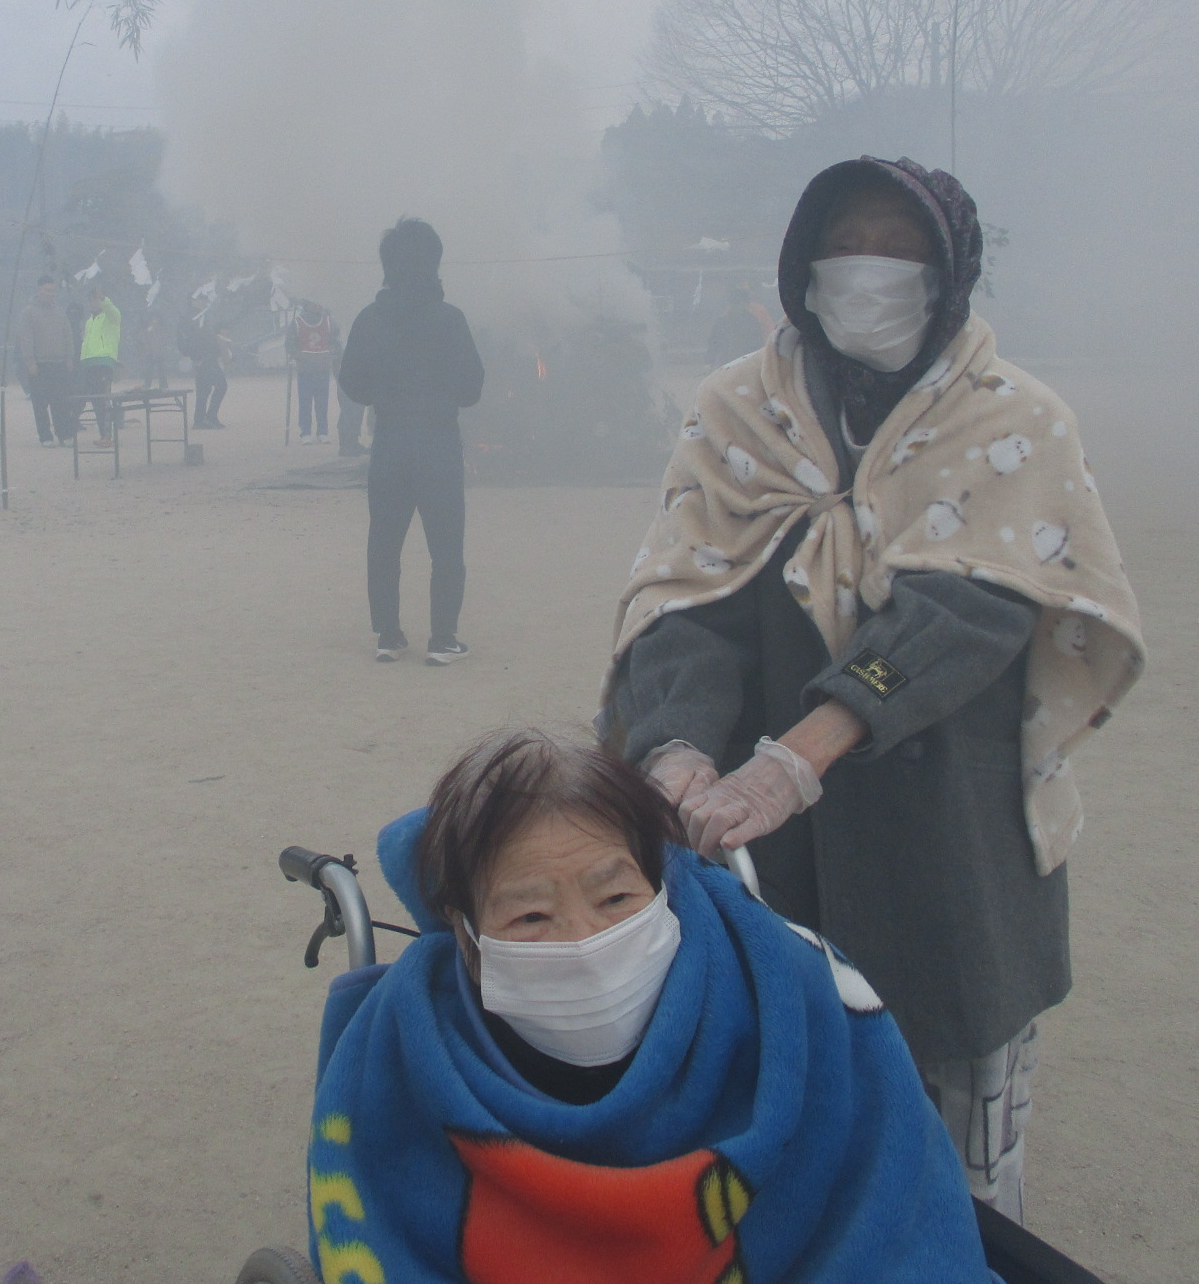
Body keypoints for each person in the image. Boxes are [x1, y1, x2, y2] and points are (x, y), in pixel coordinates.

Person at [604, 156, 1145, 1219]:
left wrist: (799, 756)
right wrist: (672, 750)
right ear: (803, 264)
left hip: (949, 846)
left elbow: (964, 617)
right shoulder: (735, 412)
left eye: (898, 247)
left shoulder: (1011, 420)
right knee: (769, 1125)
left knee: (945, 1163)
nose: (868, 267)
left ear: (946, 272)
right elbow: (689, 601)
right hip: (759, 860)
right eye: (846, 240)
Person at [303, 730, 994, 1284]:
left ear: (664, 889)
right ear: (466, 934)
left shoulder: (794, 986)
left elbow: (889, 1204)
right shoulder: (403, 1044)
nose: (584, 943)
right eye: (531, 917)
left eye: (616, 899)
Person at [338, 218, 483, 665]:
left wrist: (384, 392)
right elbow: (471, 390)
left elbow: (352, 384)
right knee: (446, 546)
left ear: (387, 267)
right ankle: (443, 639)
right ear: (434, 264)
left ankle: (388, 635)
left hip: (389, 441)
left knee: (384, 543)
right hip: (438, 442)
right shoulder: (450, 320)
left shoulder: (369, 319)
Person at [15, 277, 77, 447]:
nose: (51, 294)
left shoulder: (60, 312)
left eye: (53, 291)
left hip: (59, 364)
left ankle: (64, 433)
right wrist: (30, 362)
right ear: (39, 290)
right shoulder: (28, 313)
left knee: (61, 402)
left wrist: (69, 357)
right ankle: (45, 436)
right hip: (39, 365)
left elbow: (68, 336)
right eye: (47, 290)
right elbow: (26, 339)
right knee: (40, 403)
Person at [289, 299, 339, 444]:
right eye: (313, 304)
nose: (316, 306)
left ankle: (322, 432)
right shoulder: (297, 323)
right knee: (305, 403)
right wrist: (300, 356)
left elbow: (336, 342)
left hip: (323, 369)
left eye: (318, 303)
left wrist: (330, 354)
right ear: (306, 305)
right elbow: (290, 345)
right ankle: (305, 433)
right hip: (305, 370)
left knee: (322, 403)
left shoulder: (329, 321)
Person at [78, 286, 121, 447]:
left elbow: (112, 310)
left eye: (96, 300)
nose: (93, 303)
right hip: (89, 363)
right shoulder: (89, 321)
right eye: (91, 300)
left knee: (103, 399)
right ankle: (103, 434)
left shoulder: (111, 317)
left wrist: (103, 298)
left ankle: (107, 435)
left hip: (104, 362)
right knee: (95, 400)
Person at [704, 285, 773, 367]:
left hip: (747, 363)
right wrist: (709, 361)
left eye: (739, 303)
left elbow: (757, 344)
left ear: (745, 304)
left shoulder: (752, 323)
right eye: (734, 303)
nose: (737, 306)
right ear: (730, 304)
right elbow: (714, 343)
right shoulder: (722, 322)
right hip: (727, 364)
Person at [183, 309, 229, 429]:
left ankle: (199, 420)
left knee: (203, 391)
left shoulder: (203, 333)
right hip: (209, 364)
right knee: (221, 387)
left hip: (202, 364)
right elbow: (225, 357)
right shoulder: (218, 337)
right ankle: (210, 417)